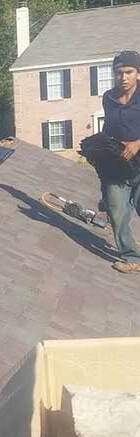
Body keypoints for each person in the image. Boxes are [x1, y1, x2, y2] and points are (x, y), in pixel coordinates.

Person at [102, 50, 140, 273]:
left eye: (129, 72)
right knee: (116, 211)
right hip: (117, 166)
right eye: (119, 73)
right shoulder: (108, 98)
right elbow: (108, 128)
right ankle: (131, 257)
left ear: (138, 73)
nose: (123, 77)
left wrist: (137, 143)